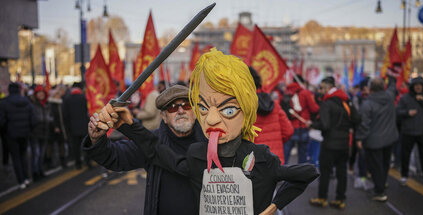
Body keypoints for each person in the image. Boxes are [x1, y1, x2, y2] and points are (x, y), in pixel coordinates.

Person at [94, 49, 319, 214]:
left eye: (188, 105)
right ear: (163, 115)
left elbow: (306, 173)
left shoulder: (257, 156)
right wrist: (125, 128)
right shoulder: (196, 154)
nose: (211, 118)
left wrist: (274, 205)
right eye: (203, 108)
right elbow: (154, 152)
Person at [85, 85, 206, 215]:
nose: (180, 111)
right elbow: (115, 157)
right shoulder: (150, 140)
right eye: (172, 108)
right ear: (163, 117)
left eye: (186, 105)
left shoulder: (210, 141)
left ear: (195, 111)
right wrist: (97, 139)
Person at [310, 76, 360, 209]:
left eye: (321, 88)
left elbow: (325, 125)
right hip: (344, 144)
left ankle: (322, 198)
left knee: (325, 171)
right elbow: (357, 118)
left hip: (329, 144)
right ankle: (340, 199)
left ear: (327, 88)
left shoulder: (326, 103)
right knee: (341, 172)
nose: (320, 91)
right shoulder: (346, 101)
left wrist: (313, 124)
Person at [355, 77, 398, 202]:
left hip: (374, 141)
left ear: (370, 88)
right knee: (385, 164)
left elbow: (364, 124)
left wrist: (359, 138)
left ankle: (379, 191)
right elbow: (393, 86)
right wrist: (392, 75)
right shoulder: (390, 97)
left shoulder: (367, 103)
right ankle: (381, 185)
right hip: (390, 138)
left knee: (376, 167)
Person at [397, 76, 423, 188]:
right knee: (405, 155)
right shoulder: (405, 98)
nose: (418, 87)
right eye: (416, 85)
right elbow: (398, 112)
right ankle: (404, 175)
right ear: (412, 87)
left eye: (420, 85)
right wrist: (407, 113)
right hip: (408, 132)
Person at [249, 67, 293, 164]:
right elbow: (288, 131)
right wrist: (277, 142)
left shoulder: (244, 106)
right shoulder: (275, 105)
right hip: (275, 160)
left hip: (252, 161)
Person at [0, 83, 36, 188]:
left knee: (16, 157)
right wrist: (29, 129)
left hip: (11, 134)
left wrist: (5, 132)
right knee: (23, 155)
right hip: (24, 133)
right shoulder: (26, 101)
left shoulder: (4, 103)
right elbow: (34, 119)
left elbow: (1, 121)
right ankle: (26, 178)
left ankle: (21, 181)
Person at [284, 75, 319, 164]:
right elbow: (314, 109)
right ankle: (300, 174)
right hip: (302, 126)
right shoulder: (305, 93)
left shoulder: (287, 92)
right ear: (302, 82)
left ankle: (282, 172)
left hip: (289, 126)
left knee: (286, 154)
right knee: (302, 155)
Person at [63, 82, 90, 169]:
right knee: (86, 145)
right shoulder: (84, 98)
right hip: (85, 126)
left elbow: (65, 115)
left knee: (76, 146)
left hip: (73, 127)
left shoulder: (67, 99)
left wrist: (67, 127)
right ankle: (87, 161)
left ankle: (78, 164)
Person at [30, 85, 54, 180]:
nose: (41, 95)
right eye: (39, 93)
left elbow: (49, 117)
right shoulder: (33, 105)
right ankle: (35, 172)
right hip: (35, 132)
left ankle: (40, 170)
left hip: (45, 132)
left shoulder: (47, 104)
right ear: (36, 94)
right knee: (36, 153)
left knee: (41, 154)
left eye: (42, 93)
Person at [48, 85, 69, 168]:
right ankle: (49, 162)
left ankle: (63, 161)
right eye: (56, 95)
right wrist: (55, 126)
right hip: (53, 128)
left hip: (62, 127)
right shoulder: (51, 104)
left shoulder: (61, 103)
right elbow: (51, 116)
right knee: (51, 146)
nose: (58, 96)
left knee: (61, 145)